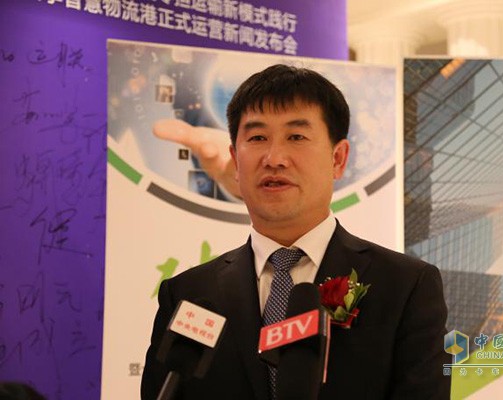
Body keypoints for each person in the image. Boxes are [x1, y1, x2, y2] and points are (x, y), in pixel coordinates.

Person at [141, 64, 451, 399]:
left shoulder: (405, 286)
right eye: (257, 138)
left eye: (296, 137)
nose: (274, 158)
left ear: (338, 158)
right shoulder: (188, 294)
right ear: (235, 159)